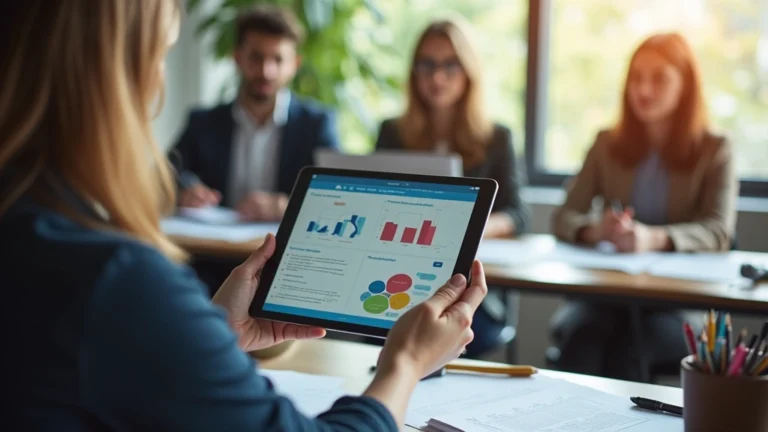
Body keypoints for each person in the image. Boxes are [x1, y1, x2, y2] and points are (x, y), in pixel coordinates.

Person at [0, 2, 488, 431]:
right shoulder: (115, 282)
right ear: (122, 75)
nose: (160, 83)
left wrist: (208, 334)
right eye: (161, 54)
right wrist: (404, 363)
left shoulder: (30, 233)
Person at [550, 33, 738, 380]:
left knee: (629, 349)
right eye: (636, 78)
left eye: (659, 78)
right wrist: (597, 230)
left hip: (677, 305)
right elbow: (563, 216)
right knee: (583, 340)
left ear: (685, 86)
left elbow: (718, 230)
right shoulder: (607, 143)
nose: (644, 90)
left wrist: (653, 238)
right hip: (606, 297)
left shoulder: (715, 148)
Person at [375, 18, 530, 358]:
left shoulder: (496, 138)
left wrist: (475, 228)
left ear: (469, 71)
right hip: (398, 277)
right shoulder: (392, 133)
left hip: (467, 289)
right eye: (426, 64)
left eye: (450, 65)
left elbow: (519, 215)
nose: (437, 77)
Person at [172, 5, 339, 222]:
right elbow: (169, 171)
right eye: (256, 57)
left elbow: (337, 193)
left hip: (286, 253)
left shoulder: (316, 125)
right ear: (237, 58)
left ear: (294, 65)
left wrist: (286, 206)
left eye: (278, 60)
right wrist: (187, 188)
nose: (266, 71)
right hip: (211, 251)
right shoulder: (203, 122)